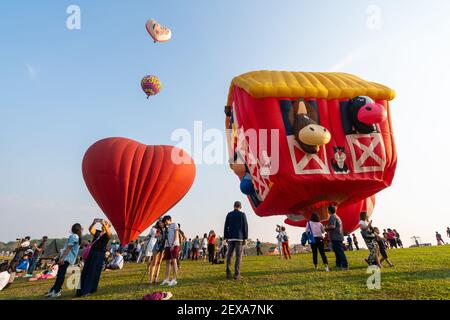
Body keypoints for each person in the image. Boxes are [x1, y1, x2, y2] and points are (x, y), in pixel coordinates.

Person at [76, 219, 112, 297]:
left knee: (93, 272)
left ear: (108, 226)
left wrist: (105, 225)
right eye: (103, 223)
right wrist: (93, 223)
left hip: (99, 254)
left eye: (106, 223)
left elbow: (109, 234)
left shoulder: (108, 234)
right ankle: (82, 290)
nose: (103, 224)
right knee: (86, 270)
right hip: (92, 253)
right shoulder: (98, 232)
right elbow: (90, 230)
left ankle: (87, 290)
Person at [45, 223, 82, 298]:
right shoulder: (77, 236)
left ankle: (57, 290)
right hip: (67, 257)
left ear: (73, 229)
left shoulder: (74, 236)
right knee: (60, 274)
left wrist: (62, 258)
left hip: (67, 258)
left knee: (61, 275)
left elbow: (68, 248)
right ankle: (54, 289)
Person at [224, 201, 248, 280]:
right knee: (238, 256)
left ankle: (228, 273)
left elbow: (225, 227)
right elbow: (245, 227)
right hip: (239, 238)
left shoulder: (229, 214)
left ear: (234, 206)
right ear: (240, 206)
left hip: (230, 238)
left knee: (229, 255)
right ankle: (236, 275)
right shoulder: (242, 215)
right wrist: (245, 238)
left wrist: (226, 237)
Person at [326, 206, 348, 270]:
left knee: (339, 251)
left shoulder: (332, 216)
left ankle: (344, 265)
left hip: (336, 237)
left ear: (329, 210)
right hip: (338, 236)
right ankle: (338, 265)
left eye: (327, 210)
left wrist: (326, 228)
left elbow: (332, 226)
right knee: (337, 252)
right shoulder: (336, 216)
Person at [160, 215, 180, 287]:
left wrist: (173, 244)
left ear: (169, 219)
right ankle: (166, 279)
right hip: (167, 245)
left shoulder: (174, 224)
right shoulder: (166, 228)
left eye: (165, 221)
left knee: (174, 261)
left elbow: (176, 234)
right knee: (167, 262)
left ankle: (174, 279)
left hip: (174, 245)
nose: (165, 223)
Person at [149, 220, 166, 285]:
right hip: (157, 247)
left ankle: (155, 279)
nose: (160, 224)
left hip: (163, 247)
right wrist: (157, 234)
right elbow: (154, 235)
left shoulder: (165, 230)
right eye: (159, 223)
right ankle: (151, 280)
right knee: (154, 263)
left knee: (159, 263)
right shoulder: (157, 229)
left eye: (161, 223)